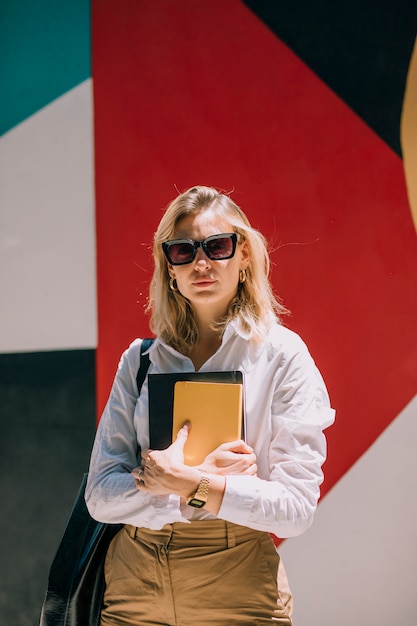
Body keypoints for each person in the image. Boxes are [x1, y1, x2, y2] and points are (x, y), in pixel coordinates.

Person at [85, 185, 335, 626]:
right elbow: (100, 497)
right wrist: (196, 486)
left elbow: (296, 509)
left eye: (217, 246)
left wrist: (184, 482)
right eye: (183, 251)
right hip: (133, 583)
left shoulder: (281, 355)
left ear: (243, 258)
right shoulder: (139, 361)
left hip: (236, 580)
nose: (201, 263)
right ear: (169, 269)